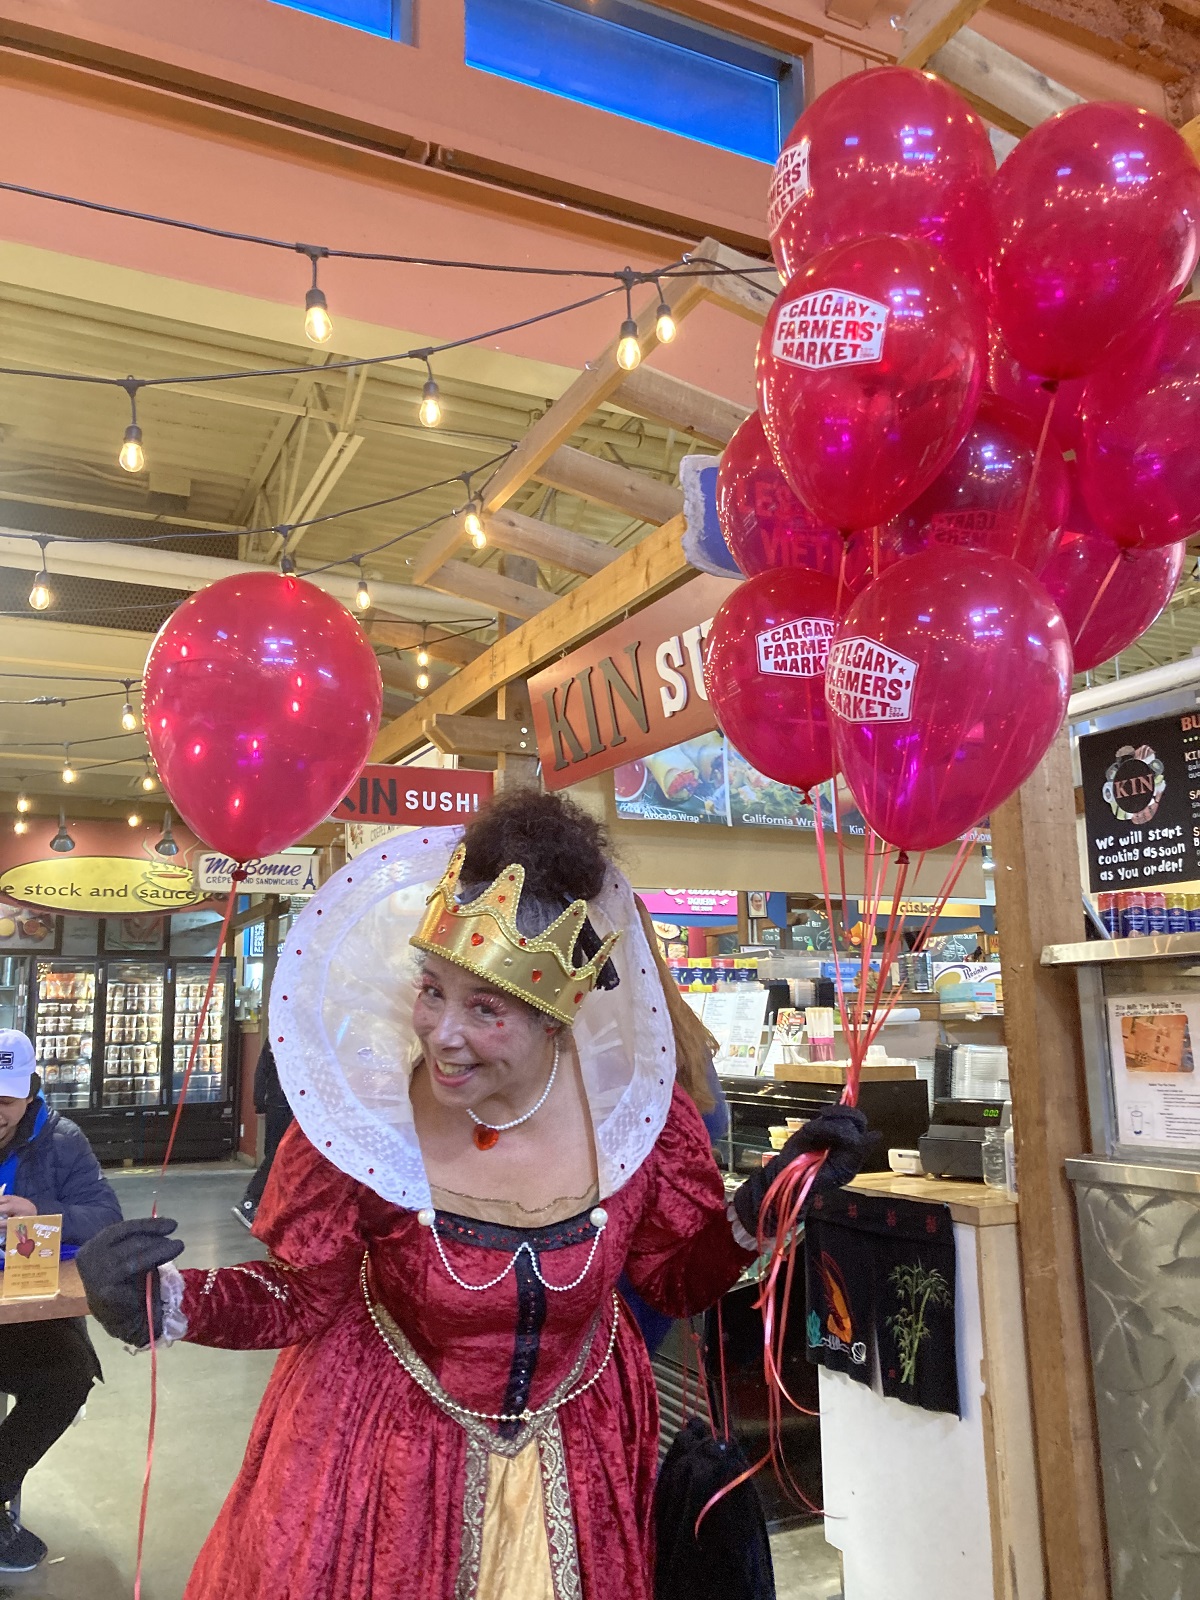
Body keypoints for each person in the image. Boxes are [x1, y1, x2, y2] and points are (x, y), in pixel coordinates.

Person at [79, 794, 868, 1600]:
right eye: (433, 991)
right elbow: (300, 1297)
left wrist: (765, 1205)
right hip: (381, 1472)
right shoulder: (365, 1123)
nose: (441, 1033)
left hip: (583, 1465)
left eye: (484, 1008)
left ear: (556, 1019)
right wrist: (165, 1300)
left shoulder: (635, 1120)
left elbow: (671, 1281)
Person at [0, 1029, 122, 1573]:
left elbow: (106, 1217)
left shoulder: (62, 1139)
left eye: (6, 1100)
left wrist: (41, 1214)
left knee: (69, 1374)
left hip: (31, 1304)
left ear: (30, 1091)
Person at [232, 1039, 293, 1230]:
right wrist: (259, 1102)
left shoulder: (280, 1035)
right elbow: (263, 1069)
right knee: (278, 1155)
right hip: (287, 1106)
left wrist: (260, 1102)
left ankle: (268, 1206)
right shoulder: (294, 1035)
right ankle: (251, 1201)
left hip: (281, 1104)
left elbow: (262, 1070)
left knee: (279, 1156)